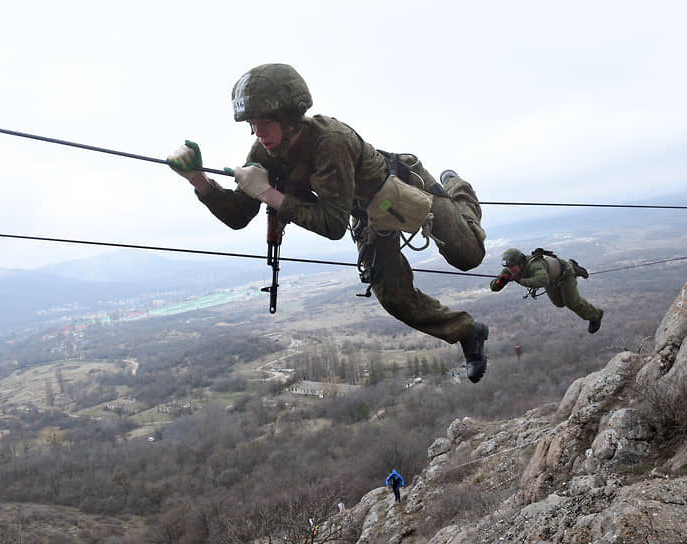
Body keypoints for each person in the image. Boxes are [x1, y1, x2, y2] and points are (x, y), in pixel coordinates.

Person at [167, 63, 490, 383]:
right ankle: (467, 332)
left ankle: (457, 189)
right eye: (252, 123)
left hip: (402, 190)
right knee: (395, 298)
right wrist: (199, 180)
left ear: (290, 117)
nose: (258, 132)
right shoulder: (265, 150)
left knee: (468, 256)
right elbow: (238, 216)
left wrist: (267, 193)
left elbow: (332, 226)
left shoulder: (330, 141)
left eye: (265, 122)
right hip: (366, 214)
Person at [490, 248, 604, 333]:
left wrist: (519, 280)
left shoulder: (535, 265)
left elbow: (542, 281)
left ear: (520, 262)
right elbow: (494, 287)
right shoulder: (510, 269)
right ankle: (572, 268)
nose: (510, 270)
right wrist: (501, 281)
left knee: (571, 302)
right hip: (551, 279)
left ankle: (595, 315)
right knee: (559, 303)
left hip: (564, 274)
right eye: (508, 267)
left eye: (512, 267)